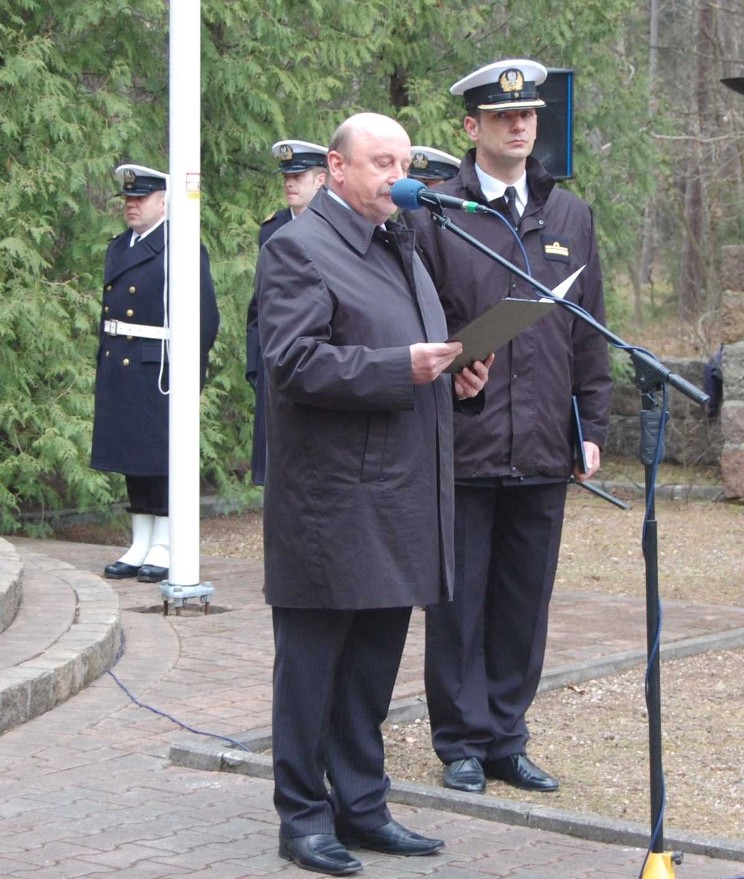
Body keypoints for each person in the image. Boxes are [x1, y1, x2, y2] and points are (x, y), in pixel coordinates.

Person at [255, 112, 491, 876]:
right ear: (337, 166)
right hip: (329, 505)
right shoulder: (298, 247)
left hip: (397, 499)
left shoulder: (402, 244)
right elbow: (292, 363)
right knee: (312, 667)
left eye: (404, 161)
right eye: (382, 162)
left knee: (370, 668)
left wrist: (457, 379)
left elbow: (409, 355)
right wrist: (402, 368)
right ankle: (303, 816)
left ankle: (362, 804)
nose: (398, 175)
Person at [403, 60, 613, 795]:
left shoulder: (570, 216)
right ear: (472, 127)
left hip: (545, 445)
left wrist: (592, 424)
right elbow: (418, 321)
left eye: (527, 116)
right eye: (502, 117)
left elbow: (591, 332)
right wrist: (452, 368)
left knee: (525, 601)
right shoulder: (437, 212)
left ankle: (506, 736)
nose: (520, 126)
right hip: (466, 440)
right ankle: (458, 739)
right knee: (459, 603)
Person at [92, 164, 220, 583]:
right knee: (133, 456)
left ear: (163, 203)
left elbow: (205, 318)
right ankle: (141, 539)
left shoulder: (180, 247)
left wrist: (191, 376)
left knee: (161, 457)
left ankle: (166, 541)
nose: (131, 206)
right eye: (128, 199)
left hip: (159, 364)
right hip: (122, 362)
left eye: (140, 199)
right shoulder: (119, 247)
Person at [245, 140, 328, 485]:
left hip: (319, 360)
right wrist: (255, 365)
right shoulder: (272, 228)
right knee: (277, 469)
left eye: (299, 175)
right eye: (286, 176)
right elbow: (259, 306)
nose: (289, 183)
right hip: (277, 361)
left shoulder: (335, 225)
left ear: (321, 179)